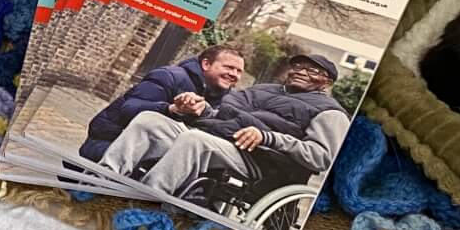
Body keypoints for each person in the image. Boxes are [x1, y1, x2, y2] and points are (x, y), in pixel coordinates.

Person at [98, 54, 350, 203]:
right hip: (217, 135)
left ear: (326, 82)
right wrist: (201, 109)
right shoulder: (262, 89)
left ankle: (145, 197)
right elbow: (226, 114)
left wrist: (269, 138)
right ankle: (102, 178)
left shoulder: (330, 112)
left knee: (195, 140)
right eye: (297, 67)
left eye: (312, 70)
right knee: (150, 120)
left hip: (258, 159)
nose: (301, 72)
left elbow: (321, 157)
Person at [80, 44, 245, 163]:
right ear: (206, 64)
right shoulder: (169, 76)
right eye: (229, 67)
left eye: (239, 71)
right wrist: (172, 109)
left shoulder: (228, 100)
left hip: (162, 155)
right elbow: (129, 110)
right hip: (113, 144)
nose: (234, 74)